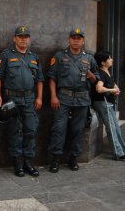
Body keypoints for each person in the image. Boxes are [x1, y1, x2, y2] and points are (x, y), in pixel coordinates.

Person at [0, 25, 44, 177]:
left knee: (30, 130)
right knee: (15, 131)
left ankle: (29, 163)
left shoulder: (34, 57)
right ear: (14, 38)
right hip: (12, 99)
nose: (23, 39)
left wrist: (40, 97)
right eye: (20, 37)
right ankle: (18, 164)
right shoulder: (6, 55)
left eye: (26, 37)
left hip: (29, 99)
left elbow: (40, 80)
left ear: (29, 39)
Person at [47, 28, 99, 173]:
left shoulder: (89, 58)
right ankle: (55, 159)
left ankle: (73, 158)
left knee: (78, 130)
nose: (76, 40)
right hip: (63, 98)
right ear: (69, 40)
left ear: (83, 41)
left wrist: (91, 76)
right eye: (73, 38)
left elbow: (96, 79)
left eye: (79, 38)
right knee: (59, 128)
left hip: (82, 99)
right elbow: (52, 78)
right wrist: (53, 96)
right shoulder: (59, 56)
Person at [93, 50, 125, 160]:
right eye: (109, 58)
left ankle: (123, 149)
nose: (112, 60)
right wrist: (112, 90)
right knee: (111, 128)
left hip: (108, 103)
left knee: (116, 128)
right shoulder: (100, 73)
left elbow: (113, 84)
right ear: (103, 62)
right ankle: (118, 152)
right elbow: (99, 88)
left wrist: (116, 89)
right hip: (102, 102)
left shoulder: (107, 72)